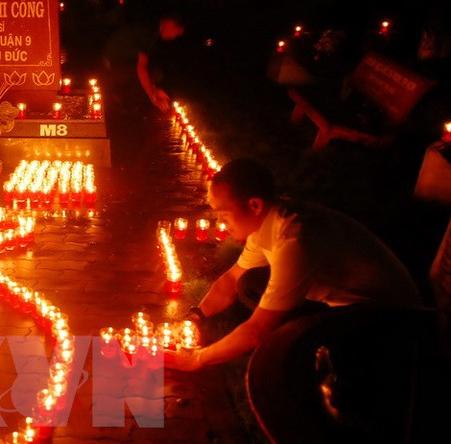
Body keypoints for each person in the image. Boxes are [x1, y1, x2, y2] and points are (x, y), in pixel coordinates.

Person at [165, 158, 422, 372]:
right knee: (250, 284)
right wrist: (196, 316)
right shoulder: (266, 221)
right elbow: (232, 280)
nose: (221, 221)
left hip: (384, 315)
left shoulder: (295, 240)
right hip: (342, 299)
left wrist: (197, 359)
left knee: (305, 358)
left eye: (223, 214)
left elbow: (257, 330)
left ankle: (310, 356)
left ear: (254, 204)